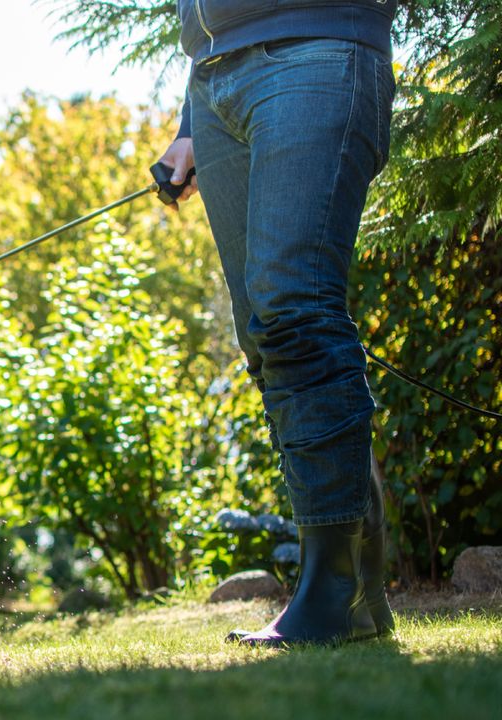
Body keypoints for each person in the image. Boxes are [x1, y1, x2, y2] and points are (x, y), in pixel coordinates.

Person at [159, 0, 398, 647]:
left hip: (318, 48)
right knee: (267, 337)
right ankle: (354, 582)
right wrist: (189, 120)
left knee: (295, 312)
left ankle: (331, 589)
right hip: (213, 80)